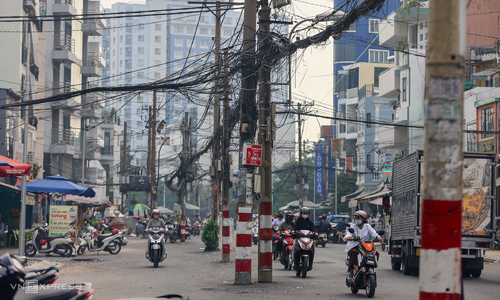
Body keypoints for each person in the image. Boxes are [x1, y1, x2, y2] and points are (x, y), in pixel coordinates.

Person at [344, 210, 383, 281]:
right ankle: (356, 271)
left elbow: (374, 234)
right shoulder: (353, 226)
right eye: (356, 218)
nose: (357, 220)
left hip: (365, 246)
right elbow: (347, 235)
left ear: (363, 219)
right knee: (354, 253)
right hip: (355, 245)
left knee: (376, 253)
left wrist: (379, 237)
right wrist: (349, 238)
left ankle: (370, 268)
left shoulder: (367, 226)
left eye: (358, 218)